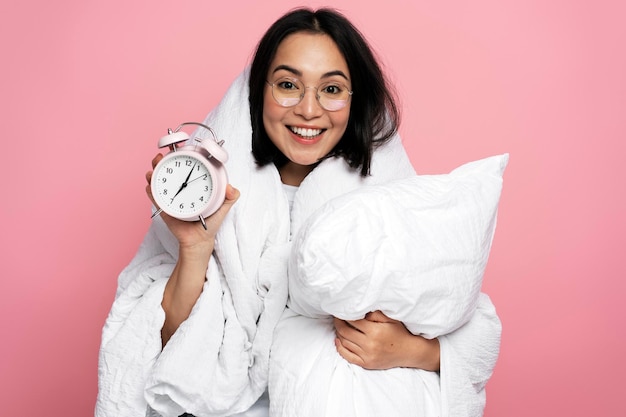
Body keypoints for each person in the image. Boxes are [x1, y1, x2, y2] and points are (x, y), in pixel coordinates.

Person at [96, 7, 501, 417]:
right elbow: (160, 342)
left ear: (354, 99)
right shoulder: (215, 190)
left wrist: (416, 351)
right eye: (288, 85)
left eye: (331, 89)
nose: (308, 110)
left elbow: (466, 317)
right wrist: (195, 246)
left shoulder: (387, 198)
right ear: (258, 91)